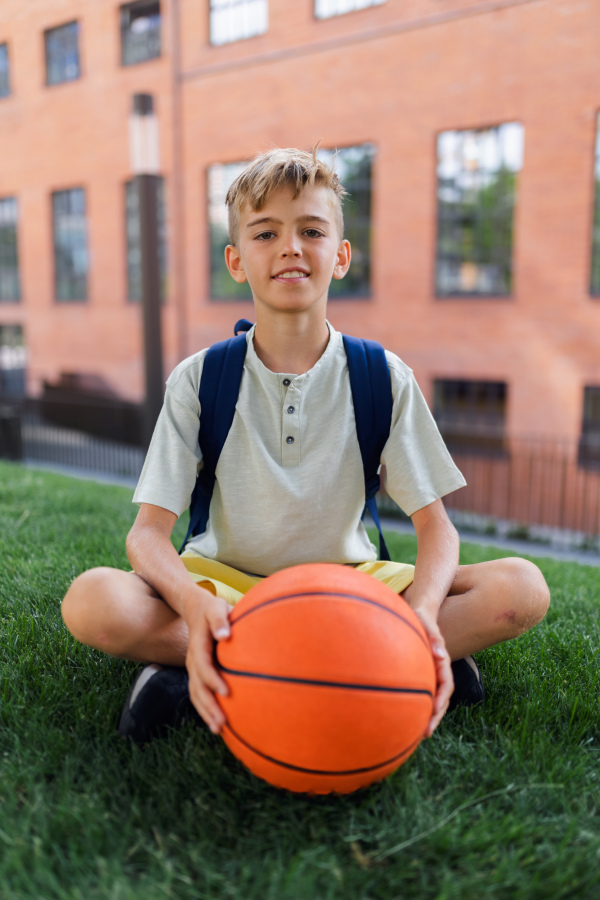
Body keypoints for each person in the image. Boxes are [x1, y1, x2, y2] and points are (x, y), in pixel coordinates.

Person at [61, 147, 550, 744]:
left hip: (351, 591)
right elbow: (146, 535)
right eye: (266, 232)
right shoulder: (199, 378)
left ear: (340, 256)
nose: (291, 247)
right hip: (227, 587)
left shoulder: (383, 375)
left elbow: (438, 529)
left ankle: (224, 666)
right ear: (237, 261)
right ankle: (379, 663)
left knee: (521, 587)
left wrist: (420, 612)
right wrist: (191, 604)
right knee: (91, 601)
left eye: (311, 230)